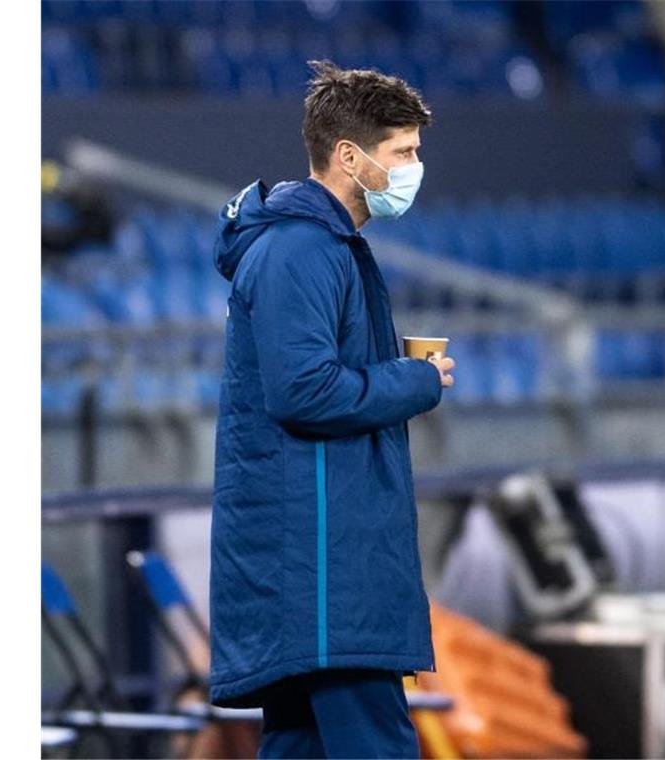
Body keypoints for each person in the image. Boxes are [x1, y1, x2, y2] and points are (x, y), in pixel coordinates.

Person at [208, 60, 455, 759]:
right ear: (350, 156)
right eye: (403, 152)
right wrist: (416, 380)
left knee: (300, 747)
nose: (414, 167)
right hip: (324, 581)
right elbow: (304, 390)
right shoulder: (300, 250)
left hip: (322, 579)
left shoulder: (327, 247)